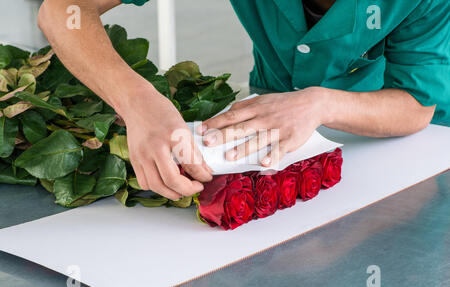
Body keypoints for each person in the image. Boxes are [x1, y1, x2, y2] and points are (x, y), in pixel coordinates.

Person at [37, 0, 450, 200]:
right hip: (264, 118)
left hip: (392, 142)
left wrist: (320, 104)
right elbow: (64, 9)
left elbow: (416, 103)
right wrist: (137, 100)